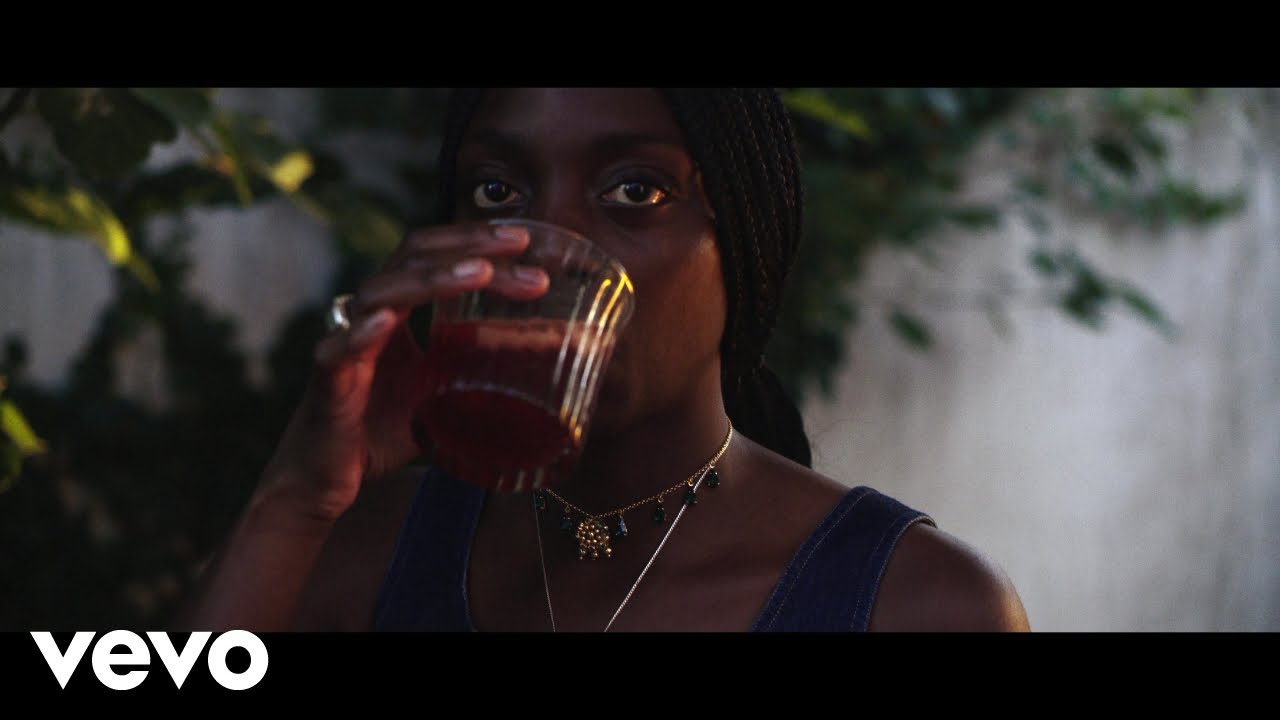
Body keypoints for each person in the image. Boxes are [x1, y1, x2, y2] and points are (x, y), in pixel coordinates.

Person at [176, 88, 1031, 633]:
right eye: (498, 192)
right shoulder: (363, 551)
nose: (544, 250)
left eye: (634, 191)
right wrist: (295, 500)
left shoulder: (915, 602)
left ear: (744, 245)